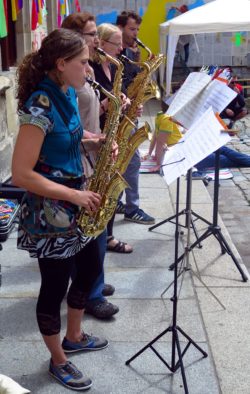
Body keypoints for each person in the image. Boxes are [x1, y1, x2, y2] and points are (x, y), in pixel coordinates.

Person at [12, 28, 110, 391]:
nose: (89, 68)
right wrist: (72, 197)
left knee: (88, 269)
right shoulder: (39, 105)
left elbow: (72, 135)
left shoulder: (68, 92)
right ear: (61, 63)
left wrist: (98, 141)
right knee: (54, 287)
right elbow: (20, 173)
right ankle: (58, 360)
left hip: (75, 200)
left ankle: (75, 336)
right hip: (51, 213)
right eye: (84, 62)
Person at [61, 13, 119, 320]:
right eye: (91, 33)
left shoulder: (84, 71)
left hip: (91, 153)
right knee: (91, 233)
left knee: (96, 229)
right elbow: (66, 129)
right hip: (79, 161)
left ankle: (92, 285)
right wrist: (94, 140)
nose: (96, 39)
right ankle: (89, 294)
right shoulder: (66, 80)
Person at [90, 22, 134, 251]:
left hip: (113, 133)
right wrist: (107, 104)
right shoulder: (89, 68)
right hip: (96, 134)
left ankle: (107, 235)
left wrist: (124, 101)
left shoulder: (114, 67)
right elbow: (84, 111)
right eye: (116, 44)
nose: (120, 49)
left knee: (111, 188)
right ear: (102, 43)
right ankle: (100, 237)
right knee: (100, 188)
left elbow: (117, 94)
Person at [116, 10, 156, 224]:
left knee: (129, 161)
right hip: (122, 115)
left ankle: (120, 200)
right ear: (120, 28)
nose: (136, 34)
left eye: (137, 29)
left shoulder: (130, 53)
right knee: (131, 161)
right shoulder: (114, 55)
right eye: (132, 29)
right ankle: (132, 208)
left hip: (130, 113)